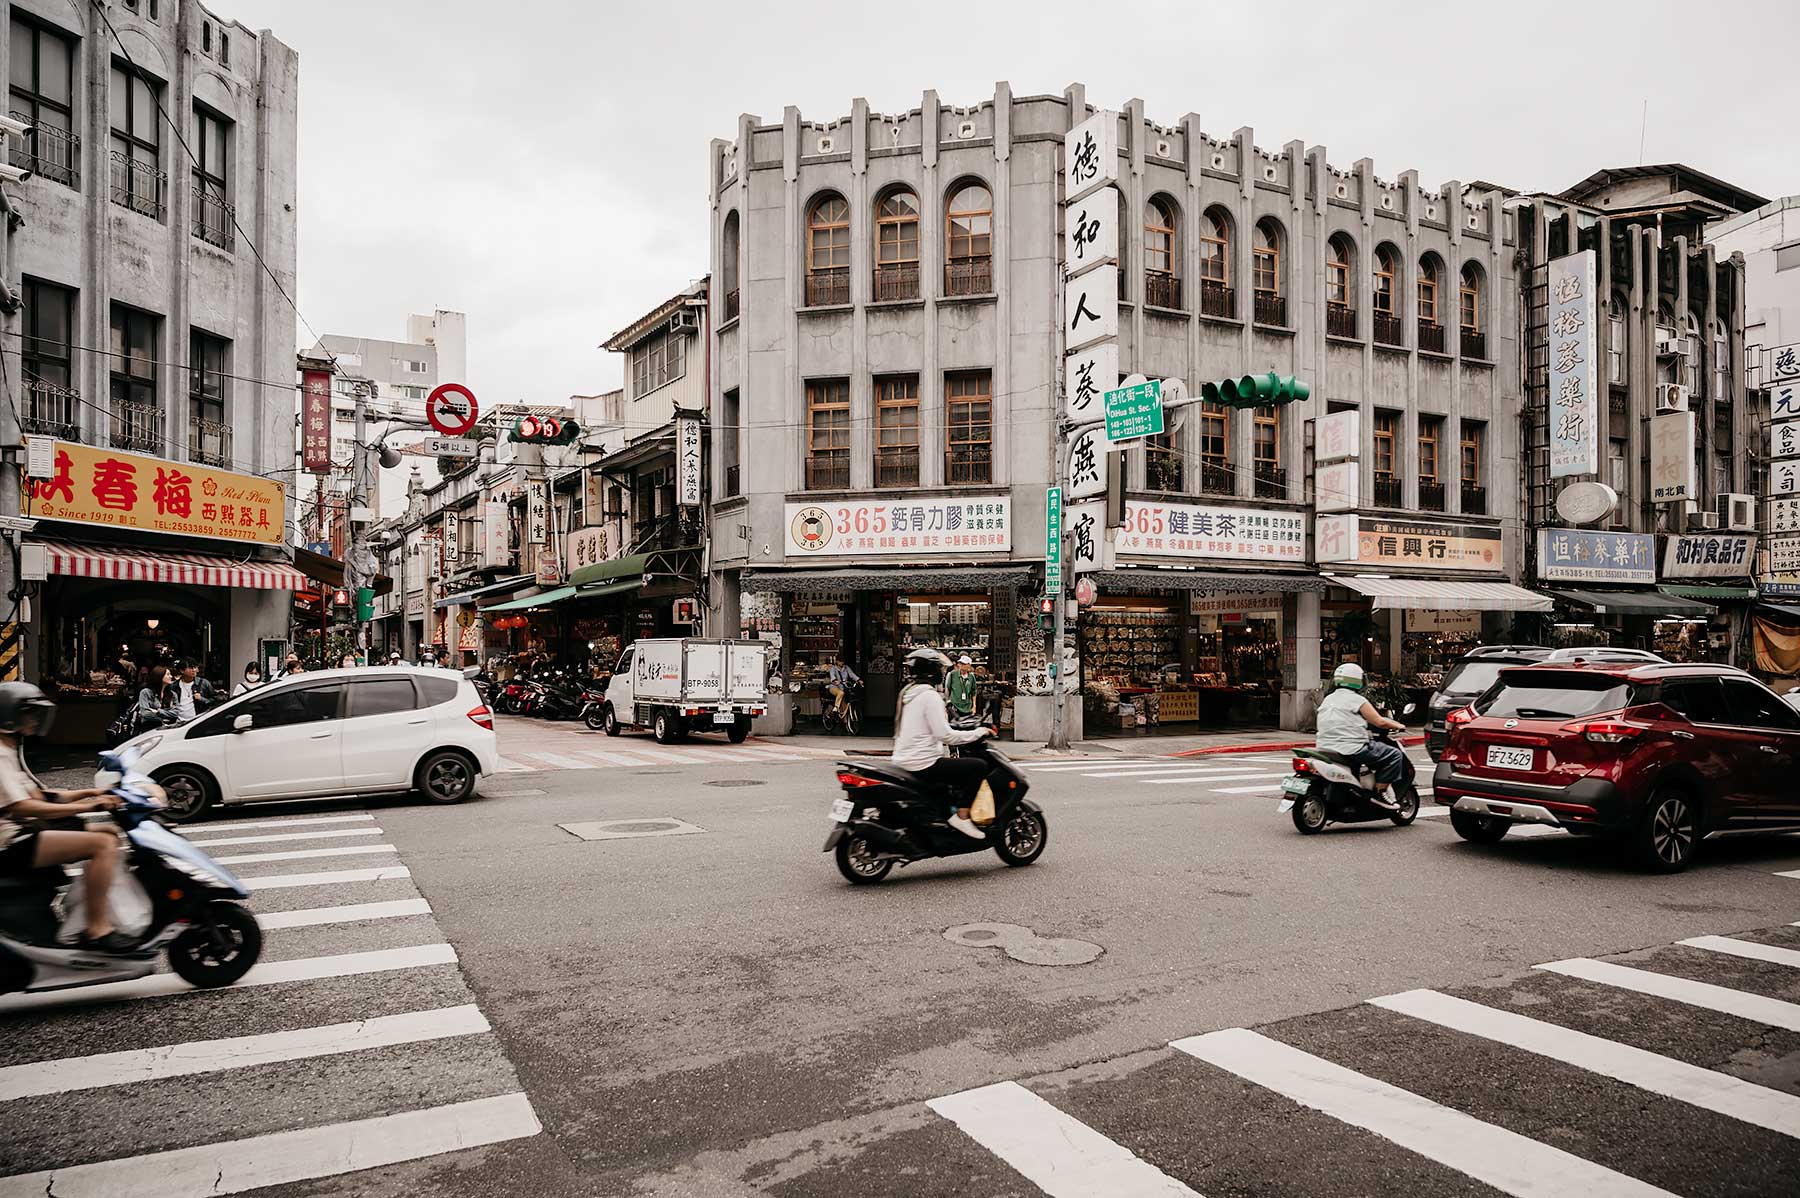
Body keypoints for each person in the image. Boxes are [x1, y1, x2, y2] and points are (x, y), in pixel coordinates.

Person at [0, 683, 131, 951]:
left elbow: (43, 795)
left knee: (108, 835)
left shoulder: (10, 749)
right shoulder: (0, 754)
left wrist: (93, 792)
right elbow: (24, 807)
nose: (36, 720)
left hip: (25, 833)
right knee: (102, 844)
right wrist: (90, 806)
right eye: (30, 713)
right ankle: (97, 929)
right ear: (9, 716)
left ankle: (85, 909)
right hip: (12, 842)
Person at [892, 648, 991, 839]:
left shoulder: (907, 693)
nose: (942, 672)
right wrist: (977, 733)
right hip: (923, 762)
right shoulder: (930, 697)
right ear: (931, 671)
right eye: (939, 669)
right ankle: (962, 816)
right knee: (978, 766)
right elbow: (946, 736)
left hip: (902, 758)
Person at [1314, 662, 1408, 807]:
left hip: (1325, 747)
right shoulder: (1357, 700)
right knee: (1395, 755)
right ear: (1358, 680)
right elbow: (1380, 722)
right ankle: (1381, 792)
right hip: (1352, 748)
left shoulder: (1328, 699)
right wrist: (1399, 725)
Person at [825, 656, 860, 721]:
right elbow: (832, 676)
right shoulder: (833, 668)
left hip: (844, 687)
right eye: (840, 661)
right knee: (841, 693)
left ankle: (846, 722)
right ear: (837, 661)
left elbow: (852, 675)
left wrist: (858, 680)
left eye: (843, 661)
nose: (842, 662)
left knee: (845, 703)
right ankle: (836, 708)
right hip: (834, 687)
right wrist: (835, 680)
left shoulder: (846, 668)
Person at [946, 654, 979, 719]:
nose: (960, 665)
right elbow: (948, 689)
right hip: (955, 706)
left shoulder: (971, 677)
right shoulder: (953, 674)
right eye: (960, 663)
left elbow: (973, 692)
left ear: (969, 665)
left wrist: (974, 706)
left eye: (963, 664)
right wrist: (947, 703)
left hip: (967, 707)